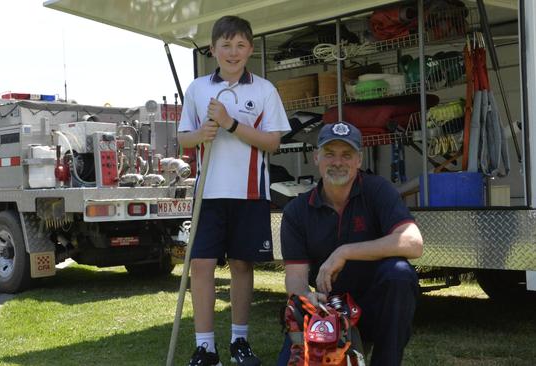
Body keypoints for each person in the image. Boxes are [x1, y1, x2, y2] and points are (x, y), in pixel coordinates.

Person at [177, 15, 290, 366]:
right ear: (213, 50)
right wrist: (201, 134)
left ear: (250, 50)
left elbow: (272, 143)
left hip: (250, 194)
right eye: (225, 45)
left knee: (242, 265)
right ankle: (205, 346)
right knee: (201, 264)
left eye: (240, 45)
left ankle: (239, 342)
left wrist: (231, 123)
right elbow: (184, 139)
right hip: (208, 195)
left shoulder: (264, 90)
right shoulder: (197, 89)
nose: (233, 51)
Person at [276, 121, 423, 366]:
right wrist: (305, 298)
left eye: (347, 155)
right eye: (329, 154)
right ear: (316, 158)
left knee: (400, 273)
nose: (338, 162)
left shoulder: (378, 190)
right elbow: (295, 279)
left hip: (375, 309)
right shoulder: (296, 211)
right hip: (327, 313)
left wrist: (344, 252)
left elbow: (413, 242)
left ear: (359, 160)